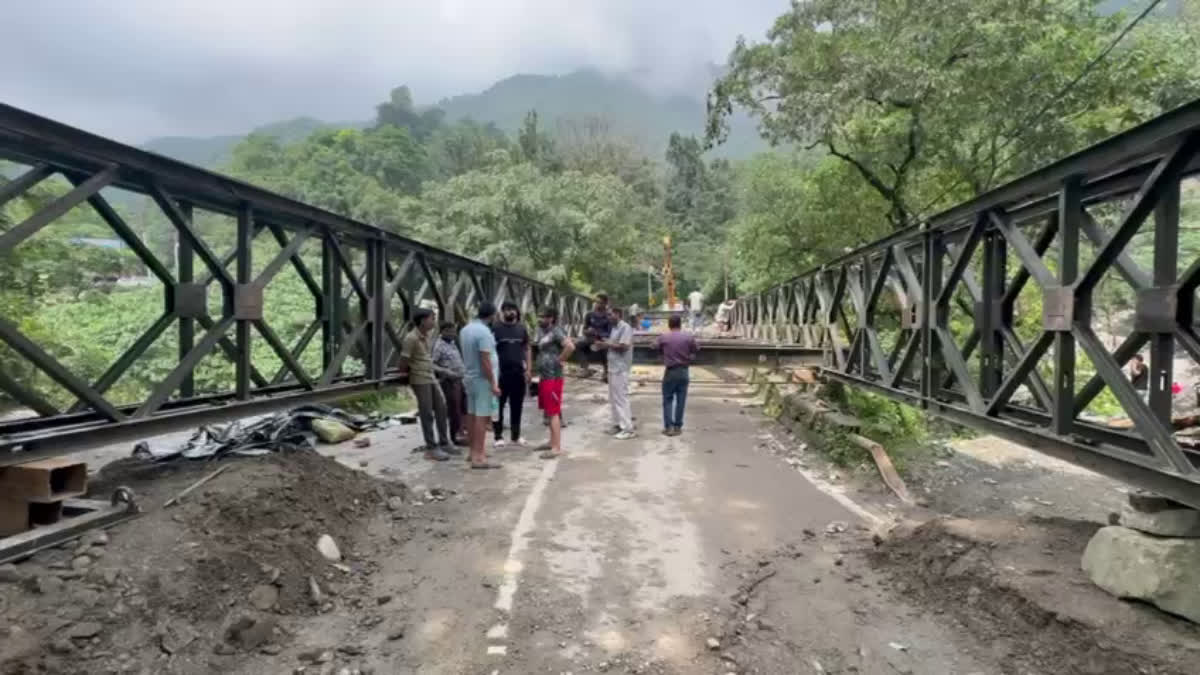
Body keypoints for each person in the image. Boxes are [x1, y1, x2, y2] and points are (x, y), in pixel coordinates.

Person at [399, 308, 453, 460]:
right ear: (423, 321)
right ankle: (431, 447)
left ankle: (444, 442)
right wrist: (404, 373)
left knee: (442, 407)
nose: (434, 321)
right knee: (426, 412)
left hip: (430, 376)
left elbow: (426, 359)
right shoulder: (411, 338)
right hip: (419, 378)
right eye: (432, 318)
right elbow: (403, 360)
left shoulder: (426, 336)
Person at [459, 303, 502, 469]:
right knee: (482, 417)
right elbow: (485, 361)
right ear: (492, 315)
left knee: (471, 414)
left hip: (470, 377)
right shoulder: (483, 332)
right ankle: (479, 457)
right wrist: (493, 383)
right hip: (482, 380)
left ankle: (472, 452)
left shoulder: (465, 329)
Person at [534, 306, 575, 459]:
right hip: (545, 376)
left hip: (553, 377)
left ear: (551, 318)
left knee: (553, 412)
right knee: (548, 411)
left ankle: (556, 447)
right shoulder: (541, 331)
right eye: (539, 316)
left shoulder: (556, 331)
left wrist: (560, 360)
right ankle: (552, 442)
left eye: (543, 316)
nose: (540, 319)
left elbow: (570, 346)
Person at [492, 301, 532, 447]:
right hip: (500, 374)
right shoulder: (495, 328)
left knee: (517, 405)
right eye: (507, 309)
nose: (510, 312)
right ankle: (498, 437)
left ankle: (516, 436)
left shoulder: (522, 328)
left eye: (512, 309)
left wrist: (528, 369)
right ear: (502, 312)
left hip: (518, 373)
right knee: (499, 405)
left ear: (516, 311)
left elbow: (527, 348)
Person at [655, 314, 699, 436]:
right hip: (684, 371)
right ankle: (678, 427)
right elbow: (696, 349)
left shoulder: (664, 337)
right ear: (680, 324)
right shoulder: (688, 337)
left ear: (669, 325)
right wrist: (688, 356)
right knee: (681, 400)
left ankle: (669, 427)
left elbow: (653, 346)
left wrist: (662, 353)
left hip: (670, 371)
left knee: (668, 399)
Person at [598, 307, 635, 439]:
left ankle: (628, 429)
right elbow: (614, 343)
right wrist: (605, 343)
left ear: (618, 314)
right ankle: (618, 424)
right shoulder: (614, 328)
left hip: (621, 367)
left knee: (621, 398)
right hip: (613, 367)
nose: (608, 317)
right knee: (613, 398)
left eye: (610, 315)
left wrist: (607, 345)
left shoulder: (625, 327)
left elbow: (624, 346)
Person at [432, 321, 468, 446]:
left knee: (463, 407)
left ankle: (463, 432)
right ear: (442, 331)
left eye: (453, 331)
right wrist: (445, 371)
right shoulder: (438, 346)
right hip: (449, 381)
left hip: (460, 379)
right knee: (454, 409)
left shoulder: (452, 343)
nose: (452, 334)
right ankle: (455, 437)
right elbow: (432, 364)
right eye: (449, 331)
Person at [578, 294, 612, 381]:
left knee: (605, 347)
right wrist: (588, 331)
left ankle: (606, 372)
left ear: (605, 304)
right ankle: (585, 369)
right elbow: (584, 330)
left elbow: (610, 332)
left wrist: (599, 335)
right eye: (596, 302)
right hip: (591, 338)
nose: (597, 304)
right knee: (580, 344)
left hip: (603, 339)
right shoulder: (589, 314)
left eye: (599, 302)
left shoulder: (609, 316)